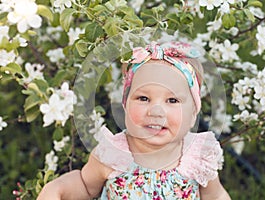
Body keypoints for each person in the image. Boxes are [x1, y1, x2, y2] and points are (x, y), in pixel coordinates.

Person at [37, 41, 231, 200]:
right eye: (143, 98)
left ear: (192, 114)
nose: (156, 111)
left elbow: (216, 196)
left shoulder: (197, 156)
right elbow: (85, 186)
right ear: (125, 105)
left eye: (172, 100)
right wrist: (55, 190)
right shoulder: (112, 154)